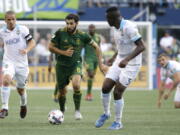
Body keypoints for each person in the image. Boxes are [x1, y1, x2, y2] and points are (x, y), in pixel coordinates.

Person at [95, 7, 146, 130]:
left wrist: (127, 60)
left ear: (114, 18)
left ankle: (118, 122)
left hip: (132, 63)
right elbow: (122, 46)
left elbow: (141, 46)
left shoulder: (129, 27)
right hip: (120, 60)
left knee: (117, 92)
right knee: (105, 87)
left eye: (108, 18)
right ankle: (106, 113)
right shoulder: (115, 28)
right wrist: (113, 58)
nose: (106, 20)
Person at [48, 13, 105, 120]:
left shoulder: (83, 35)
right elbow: (50, 47)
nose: (69, 26)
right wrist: (63, 52)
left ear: (77, 23)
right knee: (62, 92)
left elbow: (96, 47)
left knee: (76, 85)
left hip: (76, 64)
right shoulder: (60, 33)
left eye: (71, 23)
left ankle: (77, 111)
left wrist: (101, 63)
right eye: (67, 23)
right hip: (61, 66)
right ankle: (62, 111)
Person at [0, 11, 36, 119]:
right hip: (8, 62)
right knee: (6, 80)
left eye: (13, 19)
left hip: (22, 64)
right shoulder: (2, 32)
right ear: (5, 20)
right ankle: (5, 108)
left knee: (21, 90)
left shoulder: (22, 29)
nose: (11, 21)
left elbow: (32, 42)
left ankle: (23, 104)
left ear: (15, 19)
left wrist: (26, 49)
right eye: (8, 19)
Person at [84, 24, 101, 101]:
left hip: (96, 59)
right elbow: (81, 46)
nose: (91, 29)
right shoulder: (85, 37)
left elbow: (99, 48)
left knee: (92, 76)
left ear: (95, 29)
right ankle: (88, 94)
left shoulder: (98, 37)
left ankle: (89, 93)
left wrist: (101, 58)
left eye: (92, 28)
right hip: (88, 59)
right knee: (91, 75)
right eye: (90, 28)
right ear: (88, 29)